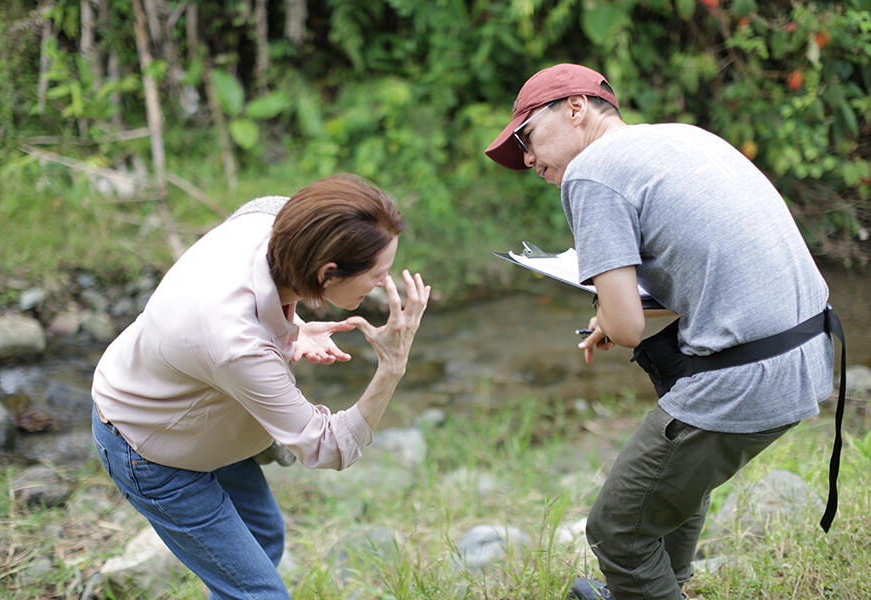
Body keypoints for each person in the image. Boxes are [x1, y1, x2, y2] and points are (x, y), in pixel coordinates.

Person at [485, 64, 839, 600]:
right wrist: (615, 311)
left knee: (617, 531)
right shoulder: (683, 138)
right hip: (811, 353)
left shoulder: (592, 173)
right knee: (672, 489)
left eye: (528, 137)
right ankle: (661, 588)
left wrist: (611, 315)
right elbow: (708, 270)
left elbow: (626, 327)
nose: (528, 159)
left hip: (749, 377)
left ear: (576, 110)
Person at [90, 174, 431, 599]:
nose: (385, 283)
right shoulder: (236, 342)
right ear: (328, 273)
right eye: (377, 273)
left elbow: (253, 294)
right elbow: (329, 447)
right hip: (148, 447)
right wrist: (392, 366)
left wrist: (292, 327)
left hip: (188, 400)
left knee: (265, 536)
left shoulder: (271, 218)